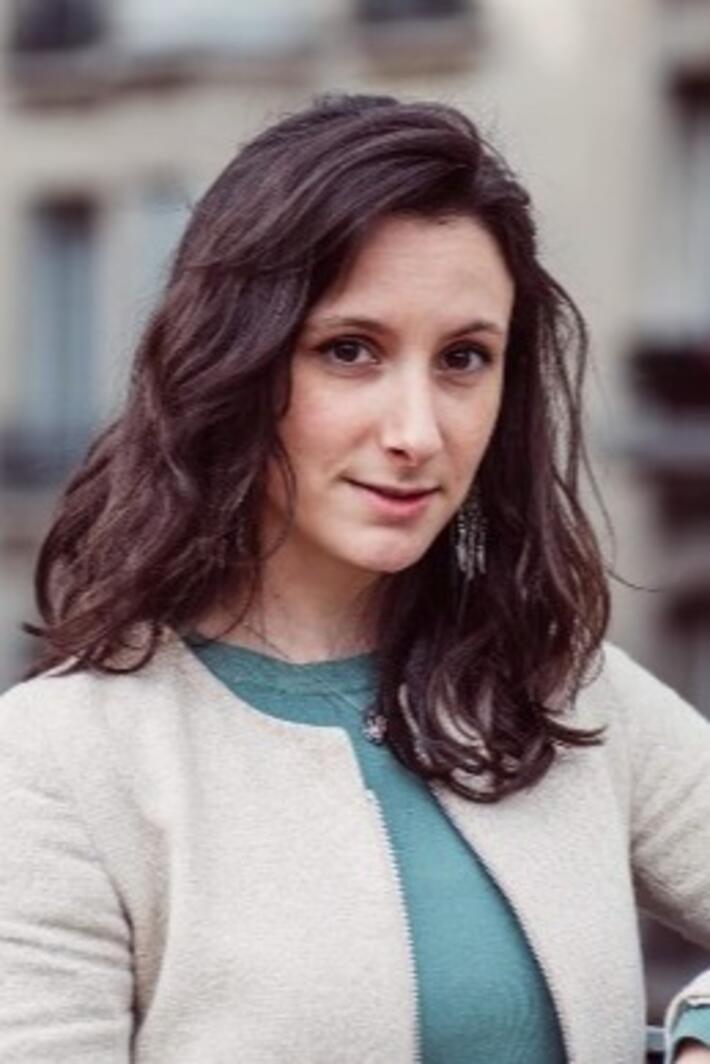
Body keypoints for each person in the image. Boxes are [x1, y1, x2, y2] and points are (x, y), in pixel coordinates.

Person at [1, 93, 709, 1064]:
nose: (417, 431)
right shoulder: (59, 764)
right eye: (349, 351)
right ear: (233, 364)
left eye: (464, 358)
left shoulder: (564, 695)